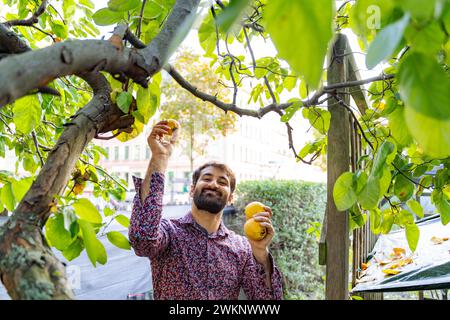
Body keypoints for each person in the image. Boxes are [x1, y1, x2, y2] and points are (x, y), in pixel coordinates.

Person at [129, 121, 283, 300]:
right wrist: (160, 157)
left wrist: (260, 252)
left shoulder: (242, 248)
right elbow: (142, 240)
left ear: (231, 198)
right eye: (207, 178)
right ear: (192, 189)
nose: (213, 184)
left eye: (222, 182)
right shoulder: (169, 233)